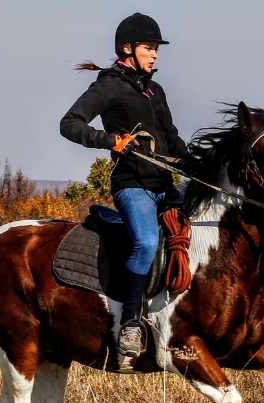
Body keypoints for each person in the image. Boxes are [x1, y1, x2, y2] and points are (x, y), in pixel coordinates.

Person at [60, 12, 188, 356]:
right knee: (146, 242)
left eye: (156, 48)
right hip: (132, 184)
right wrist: (110, 140)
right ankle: (129, 323)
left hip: (164, 183)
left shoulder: (155, 89)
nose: (156, 54)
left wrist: (194, 163)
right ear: (128, 49)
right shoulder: (108, 85)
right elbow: (69, 124)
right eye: (150, 47)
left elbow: (171, 137)